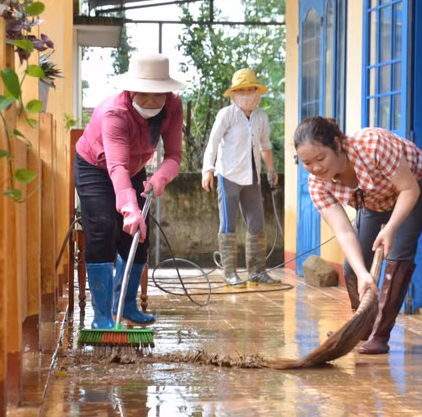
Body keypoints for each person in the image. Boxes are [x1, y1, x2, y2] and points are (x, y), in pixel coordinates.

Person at [293, 117, 422, 354]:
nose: (315, 167)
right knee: (353, 269)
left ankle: (380, 335)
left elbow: (410, 190)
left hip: (414, 187)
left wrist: (390, 228)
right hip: (374, 201)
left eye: (320, 158)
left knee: (397, 256)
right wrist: (362, 273)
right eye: (307, 163)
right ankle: (362, 327)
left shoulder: (373, 146)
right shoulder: (316, 185)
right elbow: (344, 232)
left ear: (337, 144)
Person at [74, 53, 185, 329]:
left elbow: (174, 155)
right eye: (143, 94)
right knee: (101, 228)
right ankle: (101, 316)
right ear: (131, 88)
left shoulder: (173, 106)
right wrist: (129, 208)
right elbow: (117, 166)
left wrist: (161, 176)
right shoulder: (115, 112)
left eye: (157, 95)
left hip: (135, 170)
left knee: (139, 235)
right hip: (95, 167)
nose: (150, 102)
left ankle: (125, 305)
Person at [202, 68, 279, 287]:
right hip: (228, 175)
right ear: (234, 94)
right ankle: (230, 273)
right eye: (241, 90)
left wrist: (271, 170)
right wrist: (208, 169)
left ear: (257, 93)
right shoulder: (226, 115)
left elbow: (265, 146)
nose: (246, 94)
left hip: (252, 175)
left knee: (257, 223)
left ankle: (257, 271)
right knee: (228, 224)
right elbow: (213, 143)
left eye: (250, 90)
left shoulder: (261, 117)